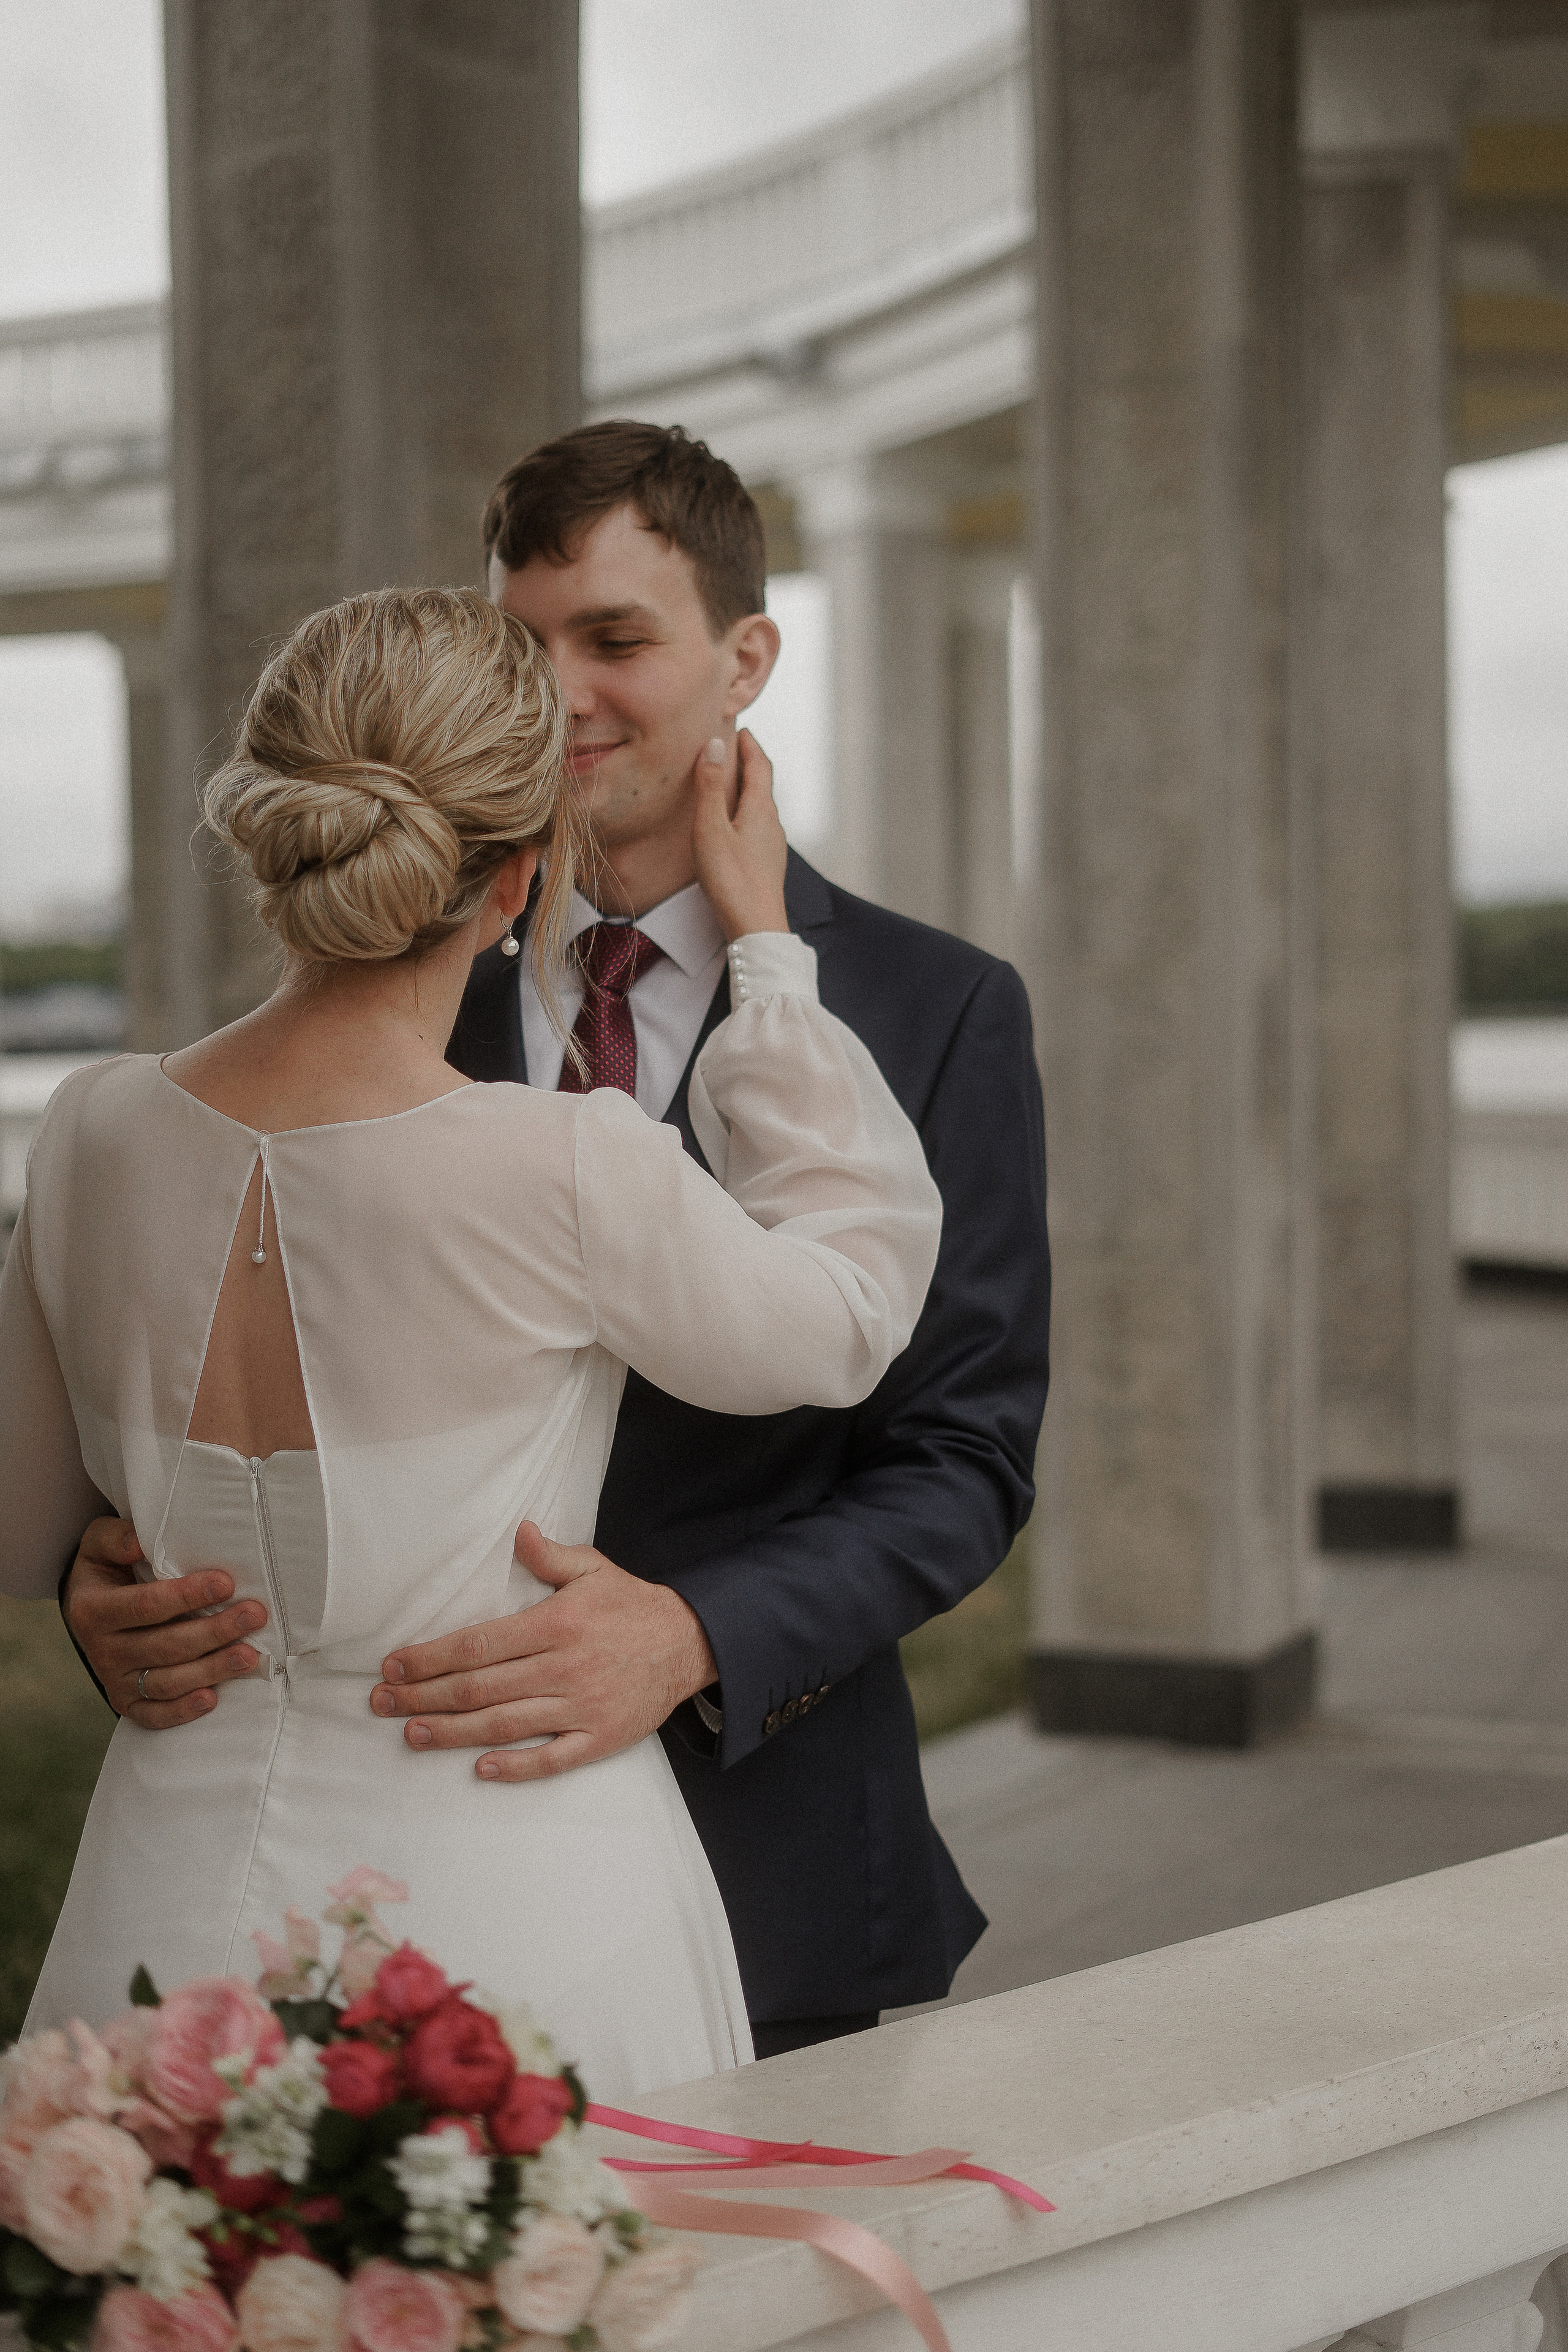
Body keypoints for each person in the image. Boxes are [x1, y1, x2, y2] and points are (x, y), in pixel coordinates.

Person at [61, 424, 1051, 2062]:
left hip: (774, 1841)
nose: (561, 695)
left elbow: (962, 1455)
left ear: (746, 661)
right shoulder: (365, 983)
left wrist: (698, 1634)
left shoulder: (936, 1007)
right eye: (521, 645)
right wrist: (107, 1586)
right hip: (342, 1868)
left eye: (615, 639)